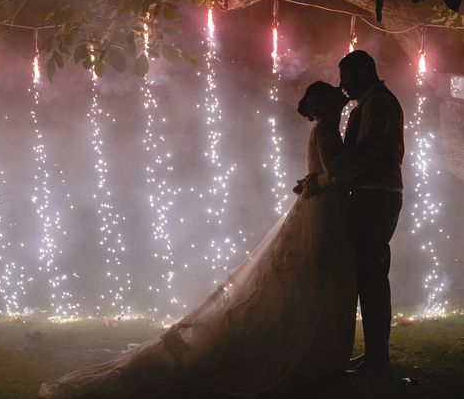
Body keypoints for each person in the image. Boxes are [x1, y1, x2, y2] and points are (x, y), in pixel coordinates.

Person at [39, 82, 355, 398]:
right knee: (317, 279)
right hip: (323, 210)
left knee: (309, 280)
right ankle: (312, 351)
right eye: (333, 98)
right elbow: (336, 170)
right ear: (323, 106)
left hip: (319, 206)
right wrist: (326, 176)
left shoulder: (323, 130)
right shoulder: (326, 131)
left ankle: (313, 349)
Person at [301, 50, 405, 375]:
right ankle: (375, 354)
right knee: (367, 276)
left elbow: (365, 153)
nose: (342, 85)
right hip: (370, 194)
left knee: (372, 275)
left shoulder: (378, 104)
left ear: (363, 73)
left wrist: (323, 180)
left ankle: (378, 358)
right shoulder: (370, 105)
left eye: (345, 77)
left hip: (376, 196)